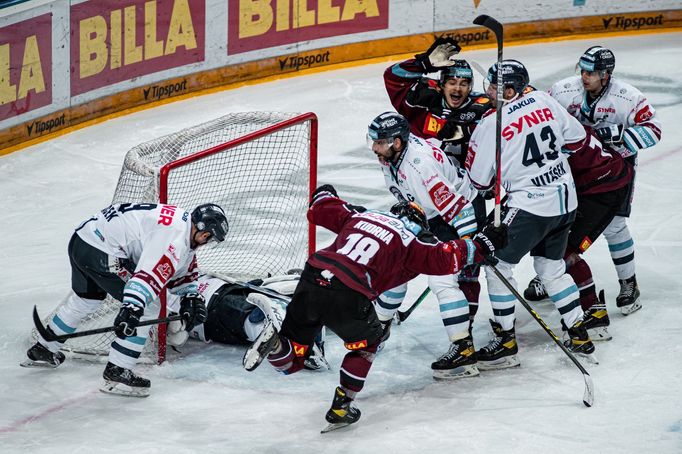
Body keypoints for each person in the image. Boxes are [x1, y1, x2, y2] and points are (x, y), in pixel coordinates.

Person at [243, 185, 507, 431]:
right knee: (368, 343)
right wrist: (483, 244)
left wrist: (325, 195)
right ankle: (342, 405)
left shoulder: (362, 216)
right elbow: (445, 258)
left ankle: (277, 343)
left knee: (293, 360)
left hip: (313, 275)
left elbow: (320, 210)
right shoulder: (411, 242)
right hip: (349, 290)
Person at [466, 59, 597, 370]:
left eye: (495, 88)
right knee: (551, 268)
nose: (489, 93)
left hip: (530, 207)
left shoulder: (490, 124)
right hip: (565, 201)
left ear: (509, 90)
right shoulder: (543, 99)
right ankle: (578, 332)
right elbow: (577, 139)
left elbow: (479, 182)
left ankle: (506, 341)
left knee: (496, 265)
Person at [22, 202, 227, 397]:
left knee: (87, 299)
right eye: (209, 239)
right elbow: (146, 276)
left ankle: (44, 348)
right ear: (204, 233)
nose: (208, 243)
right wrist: (132, 307)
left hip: (82, 240)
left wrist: (192, 297)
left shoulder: (181, 224)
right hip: (103, 252)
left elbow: (182, 271)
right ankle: (118, 372)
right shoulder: (172, 238)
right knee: (148, 306)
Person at [383, 39, 494, 328]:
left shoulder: (483, 108)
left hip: (464, 196)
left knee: (467, 267)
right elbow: (391, 77)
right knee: (400, 256)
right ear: (441, 83)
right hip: (422, 197)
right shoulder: (424, 97)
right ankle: (381, 317)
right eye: (452, 82)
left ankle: (464, 325)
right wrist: (423, 63)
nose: (458, 89)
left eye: (464, 84)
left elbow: (520, 117)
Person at [544, 46, 662, 315]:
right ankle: (549, 272)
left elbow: (654, 131)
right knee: (559, 218)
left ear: (606, 75)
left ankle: (628, 282)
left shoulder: (628, 97)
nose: (585, 77)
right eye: (582, 71)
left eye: (592, 73)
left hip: (614, 169)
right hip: (573, 167)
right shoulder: (562, 91)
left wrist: (615, 137)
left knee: (615, 225)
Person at [368, 111, 484, 379]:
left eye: (380, 142)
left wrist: (470, 247)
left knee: (442, 282)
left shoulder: (421, 167)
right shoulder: (390, 157)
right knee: (394, 266)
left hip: (454, 215)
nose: (374, 148)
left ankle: (463, 350)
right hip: (425, 214)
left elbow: (461, 211)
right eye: (373, 141)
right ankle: (378, 328)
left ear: (397, 142)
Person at [165, 273, 329, 371]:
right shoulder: (156, 297)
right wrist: (175, 325)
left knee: (253, 310)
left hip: (229, 288)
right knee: (247, 317)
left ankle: (287, 341)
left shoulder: (176, 265)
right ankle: (288, 343)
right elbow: (173, 334)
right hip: (212, 308)